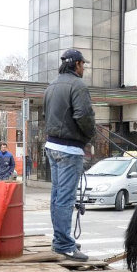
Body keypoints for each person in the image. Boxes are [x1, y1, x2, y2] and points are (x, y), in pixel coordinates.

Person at [43, 49, 96, 261]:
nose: (84, 68)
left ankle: (60, 241)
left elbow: (49, 115)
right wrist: (90, 133)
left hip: (52, 146)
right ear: (76, 64)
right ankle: (64, 245)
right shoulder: (78, 85)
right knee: (65, 198)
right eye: (83, 64)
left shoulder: (52, 85)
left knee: (56, 197)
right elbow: (83, 115)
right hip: (69, 149)